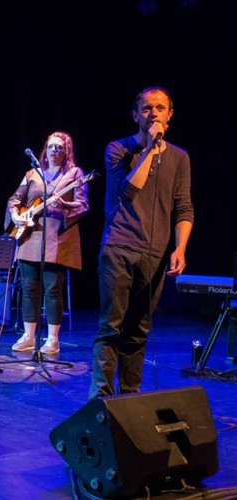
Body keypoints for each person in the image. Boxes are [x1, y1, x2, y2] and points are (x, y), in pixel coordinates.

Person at [89, 86, 194, 398]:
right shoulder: (118, 149)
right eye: (147, 108)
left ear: (170, 115)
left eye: (160, 108)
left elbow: (184, 207)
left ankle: (131, 397)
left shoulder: (180, 159)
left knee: (138, 332)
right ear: (135, 114)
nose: (154, 113)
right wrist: (150, 148)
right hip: (118, 247)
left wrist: (180, 247)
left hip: (155, 254)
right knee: (111, 328)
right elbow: (129, 190)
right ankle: (101, 401)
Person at [5, 131, 90, 355]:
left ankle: (52, 339)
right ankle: (28, 336)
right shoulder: (33, 173)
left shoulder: (75, 174)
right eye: (51, 146)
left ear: (66, 151)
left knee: (53, 289)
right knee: (29, 288)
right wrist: (15, 214)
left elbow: (83, 204)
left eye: (59, 147)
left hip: (58, 237)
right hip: (30, 235)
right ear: (45, 150)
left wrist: (64, 204)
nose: (54, 150)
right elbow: (16, 199)